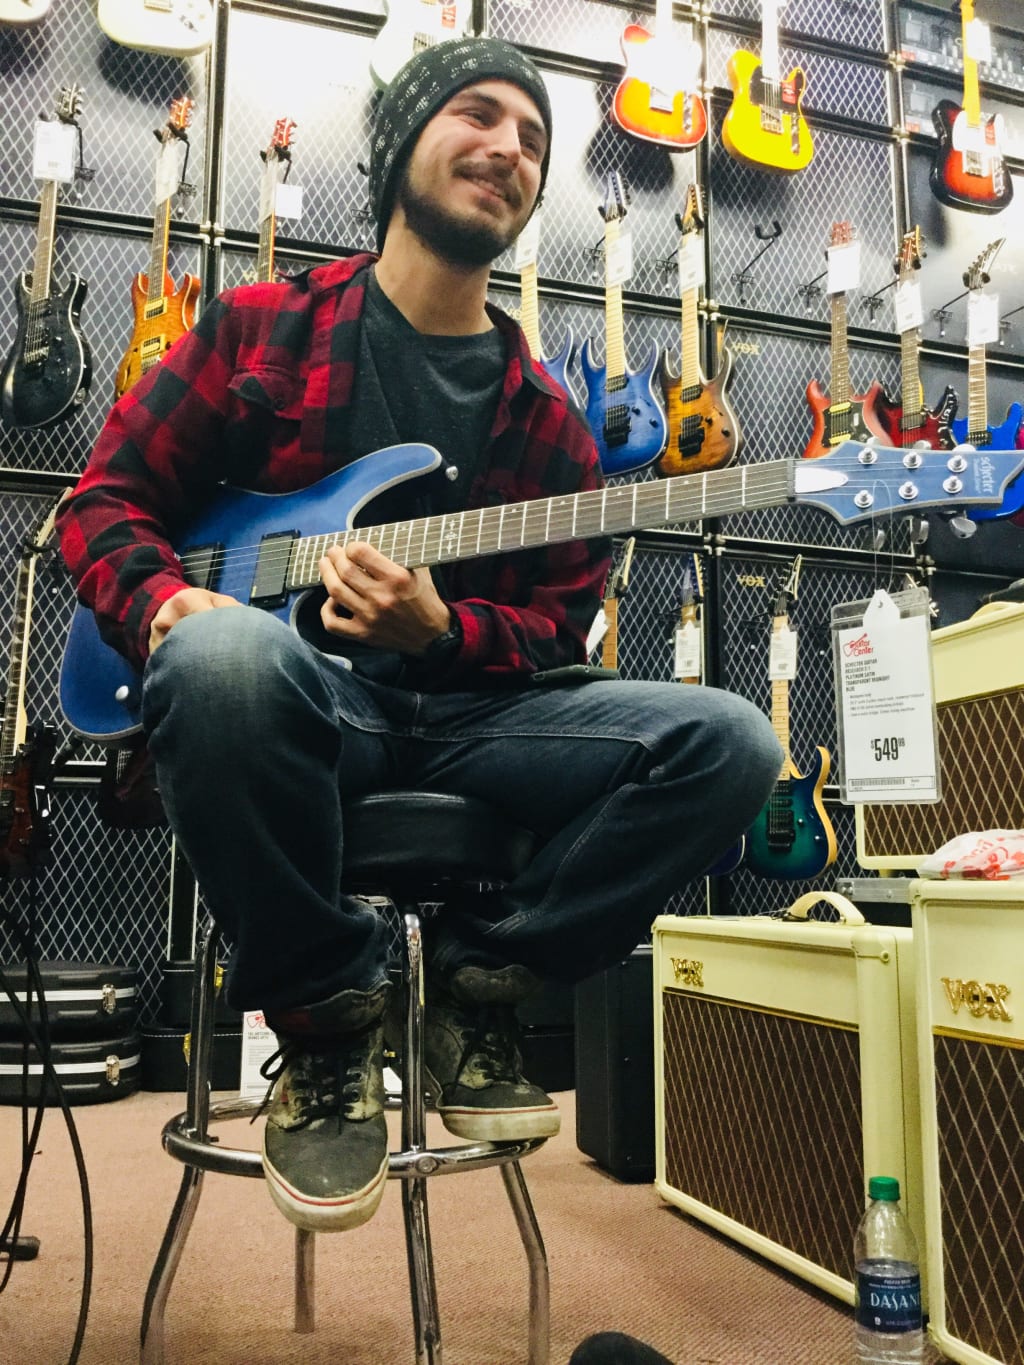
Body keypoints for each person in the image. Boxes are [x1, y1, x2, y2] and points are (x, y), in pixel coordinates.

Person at [57, 38, 782, 1235]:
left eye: (533, 138)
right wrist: (165, 604)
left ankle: (479, 980)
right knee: (224, 658)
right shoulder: (259, 329)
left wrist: (443, 633)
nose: (509, 148)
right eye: (478, 114)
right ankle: (325, 1017)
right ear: (401, 146)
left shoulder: (551, 419)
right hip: (302, 705)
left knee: (732, 743)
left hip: (472, 721)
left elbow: (551, 634)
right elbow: (102, 504)